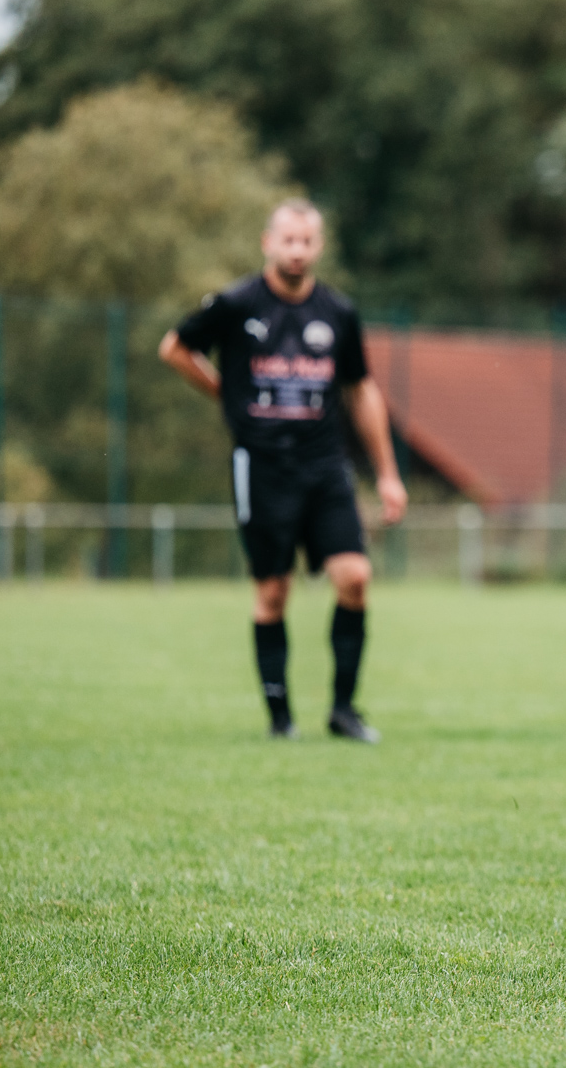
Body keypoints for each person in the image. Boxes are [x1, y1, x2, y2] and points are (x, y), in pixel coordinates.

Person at [158, 198, 408, 743]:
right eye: (287, 240)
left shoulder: (338, 313)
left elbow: (361, 388)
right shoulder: (236, 302)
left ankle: (344, 712)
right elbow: (175, 348)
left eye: (307, 241)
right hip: (264, 466)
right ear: (268, 243)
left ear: (319, 248)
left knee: (356, 578)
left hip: (325, 465)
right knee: (273, 592)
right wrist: (225, 393)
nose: (297, 251)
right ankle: (280, 720)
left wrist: (388, 473)